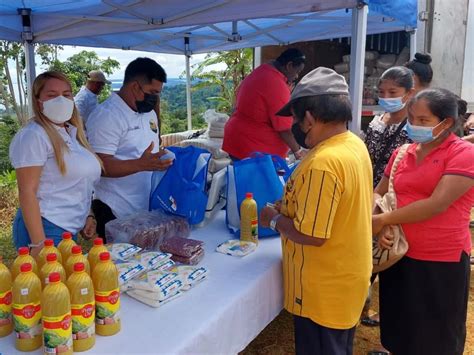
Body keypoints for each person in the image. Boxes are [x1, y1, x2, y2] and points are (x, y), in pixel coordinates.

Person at [260, 67, 373, 355]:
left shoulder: (323, 162)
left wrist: (274, 219)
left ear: (309, 118)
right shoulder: (354, 144)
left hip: (324, 288)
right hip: (345, 280)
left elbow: (311, 234)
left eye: (297, 118)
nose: (296, 125)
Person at [373, 88, 474, 355]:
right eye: (411, 118)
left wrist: (385, 219)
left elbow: (436, 204)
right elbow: (379, 191)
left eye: (423, 120)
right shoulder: (402, 153)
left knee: (436, 335)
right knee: (400, 328)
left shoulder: (463, 154)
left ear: (447, 123)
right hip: (398, 253)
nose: (414, 125)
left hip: (440, 259)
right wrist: (380, 222)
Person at [9, 71, 102, 256]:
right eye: (52, 95)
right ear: (38, 101)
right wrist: (39, 244)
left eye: (66, 95)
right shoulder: (33, 135)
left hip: (68, 229)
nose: (61, 100)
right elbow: (27, 191)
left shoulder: (72, 133)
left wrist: (87, 214)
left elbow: (79, 181)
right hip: (46, 228)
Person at [86, 57, 173, 239]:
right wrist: (141, 164)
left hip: (144, 207)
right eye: (152, 92)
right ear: (135, 86)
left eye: (158, 94)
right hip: (115, 210)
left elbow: (152, 144)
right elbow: (99, 165)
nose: (155, 98)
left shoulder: (147, 111)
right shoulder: (106, 116)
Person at [222, 48, 306, 160]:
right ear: (289, 66)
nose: (296, 77)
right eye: (297, 72)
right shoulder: (276, 83)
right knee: (254, 177)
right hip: (251, 148)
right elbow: (284, 129)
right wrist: (298, 151)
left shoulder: (262, 71)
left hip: (239, 140)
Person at [365, 66, 415, 188]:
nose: (385, 97)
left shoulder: (415, 128)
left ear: (409, 93)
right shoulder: (376, 122)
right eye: (381, 92)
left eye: (392, 92)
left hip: (396, 194)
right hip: (369, 191)